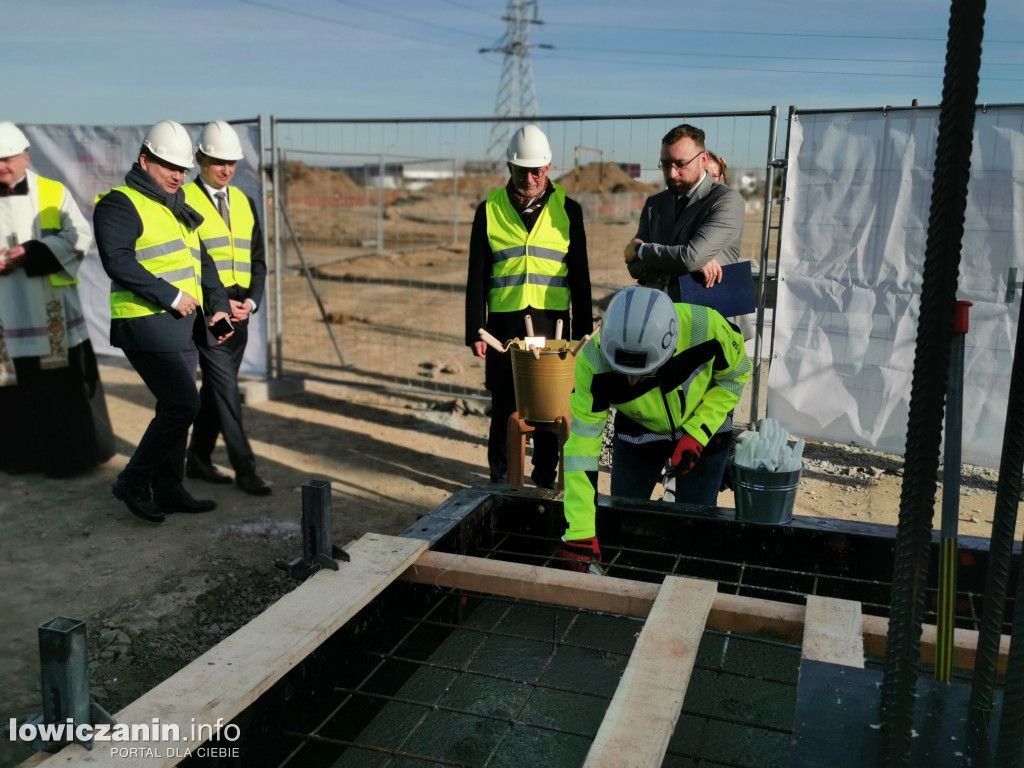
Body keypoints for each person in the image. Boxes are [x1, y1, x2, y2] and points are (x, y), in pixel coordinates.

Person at [94, 120, 234, 524]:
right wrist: (170, 295)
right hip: (146, 324)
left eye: (182, 169)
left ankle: (170, 488)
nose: (177, 175)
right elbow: (117, 260)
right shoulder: (120, 203)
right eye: (167, 166)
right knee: (183, 405)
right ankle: (134, 480)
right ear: (144, 160)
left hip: (182, 327)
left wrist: (218, 304)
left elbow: (202, 261)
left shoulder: (175, 207)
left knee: (175, 406)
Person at [558, 286, 751, 573]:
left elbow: (734, 377)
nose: (632, 384)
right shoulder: (593, 363)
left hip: (706, 429)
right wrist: (580, 531)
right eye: (623, 373)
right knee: (624, 521)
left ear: (670, 346)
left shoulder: (706, 327)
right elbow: (581, 450)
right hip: (639, 431)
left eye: (644, 373)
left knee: (695, 526)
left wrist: (698, 433)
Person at [465, 124, 593, 488]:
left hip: (550, 324)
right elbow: (477, 277)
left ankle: (543, 479)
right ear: (510, 168)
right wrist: (475, 329)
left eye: (537, 170)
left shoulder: (569, 210)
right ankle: (502, 478)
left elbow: (579, 277)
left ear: (549, 167)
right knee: (504, 403)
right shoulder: (488, 210)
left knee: (549, 407)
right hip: (502, 327)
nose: (530, 177)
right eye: (523, 170)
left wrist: (582, 333)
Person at [0, 121, 115, 477]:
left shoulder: (53, 191)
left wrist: (29, 252)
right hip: (5, 312)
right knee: (11, 388)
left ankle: (69, 459)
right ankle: (17, 460)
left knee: (59, 389)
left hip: (50, 312)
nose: (1, 167)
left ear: (26, 157)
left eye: (8, 159)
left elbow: (80, 235)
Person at [182, 121, 271, 496]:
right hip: (210, 312)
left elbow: (258, 260)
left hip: (240, 310)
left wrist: (250, 302)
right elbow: (187, 263)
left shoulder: (246, 202)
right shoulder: (182, 201)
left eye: (231, 161)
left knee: (216, 392)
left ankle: (198, 459)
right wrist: (218, 303)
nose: (225, 169)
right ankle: (244, 469)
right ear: (200, 158)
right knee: (227, 389)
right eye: (217, 160)